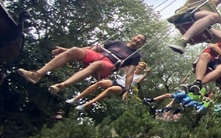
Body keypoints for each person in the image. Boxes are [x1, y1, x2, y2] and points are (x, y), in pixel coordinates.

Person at [17, 34, 146, 95]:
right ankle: (37, 74)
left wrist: (127, 90)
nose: (138, 40)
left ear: (141, 44)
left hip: (108, 65)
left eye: (141, 41)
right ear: (133, 37)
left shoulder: (135, 56)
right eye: (137, 37)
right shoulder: (117, 42)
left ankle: (62, 85)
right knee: (74, 50)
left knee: (97, 64)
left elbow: (129, 74)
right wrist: (66, 51)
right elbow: (92, 49)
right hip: (100, 55)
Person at [66, 62, 149, 111]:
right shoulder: (130, 70)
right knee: (100, 83)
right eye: (139, 65)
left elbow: (138, 82)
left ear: (143, 70)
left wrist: (146, 74)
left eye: (141, 67)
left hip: (123, 88)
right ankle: (76, 98)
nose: (139, 67)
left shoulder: (140, 76)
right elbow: (122, 66)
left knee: (110, 89)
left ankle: (87, 104)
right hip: (116, 81)